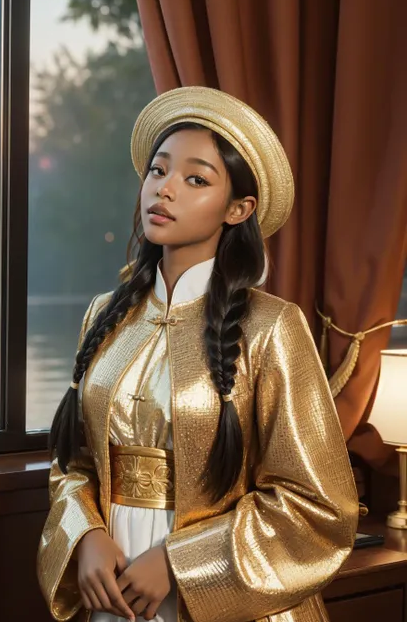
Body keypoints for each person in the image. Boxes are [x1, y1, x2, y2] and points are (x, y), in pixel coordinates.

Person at [37, 87, 358, 622]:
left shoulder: (272, 327)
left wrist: (179, 563)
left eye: (196, 179)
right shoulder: (104, 316)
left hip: (216, 595)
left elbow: (317, 505)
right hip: (113, 590)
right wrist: (85, 533)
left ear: (239, 209)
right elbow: (73, 462)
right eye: (158, 171)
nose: (165, 191)